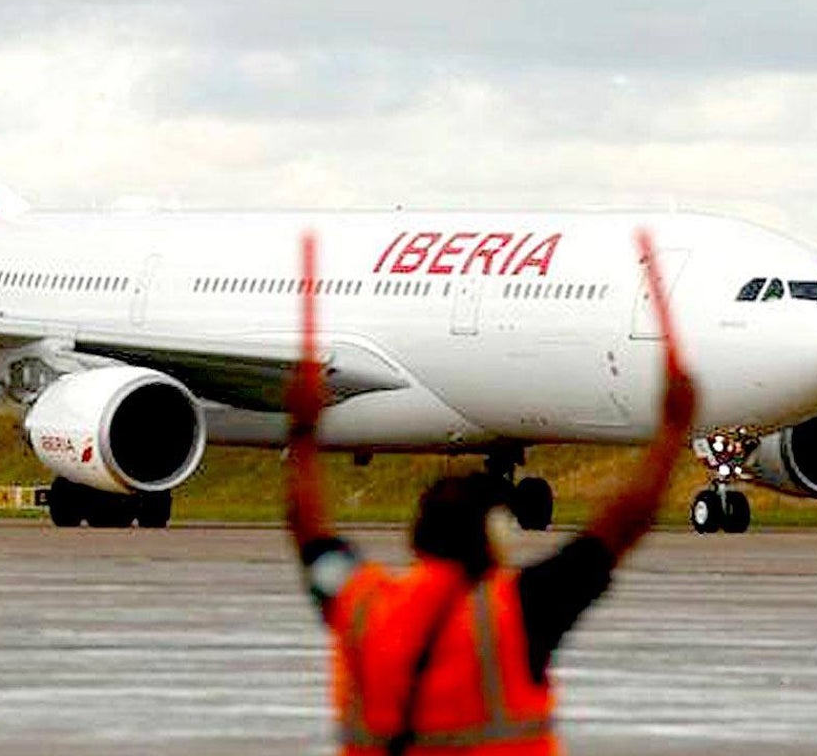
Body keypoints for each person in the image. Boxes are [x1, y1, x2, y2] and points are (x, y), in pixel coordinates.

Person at [283, 232, 698, 755]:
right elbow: (621, 525)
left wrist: (300, 431)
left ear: (416, 538)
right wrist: (672, 432)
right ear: (493, 536)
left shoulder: (361, 606)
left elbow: (307, 528)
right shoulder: (517, 612)